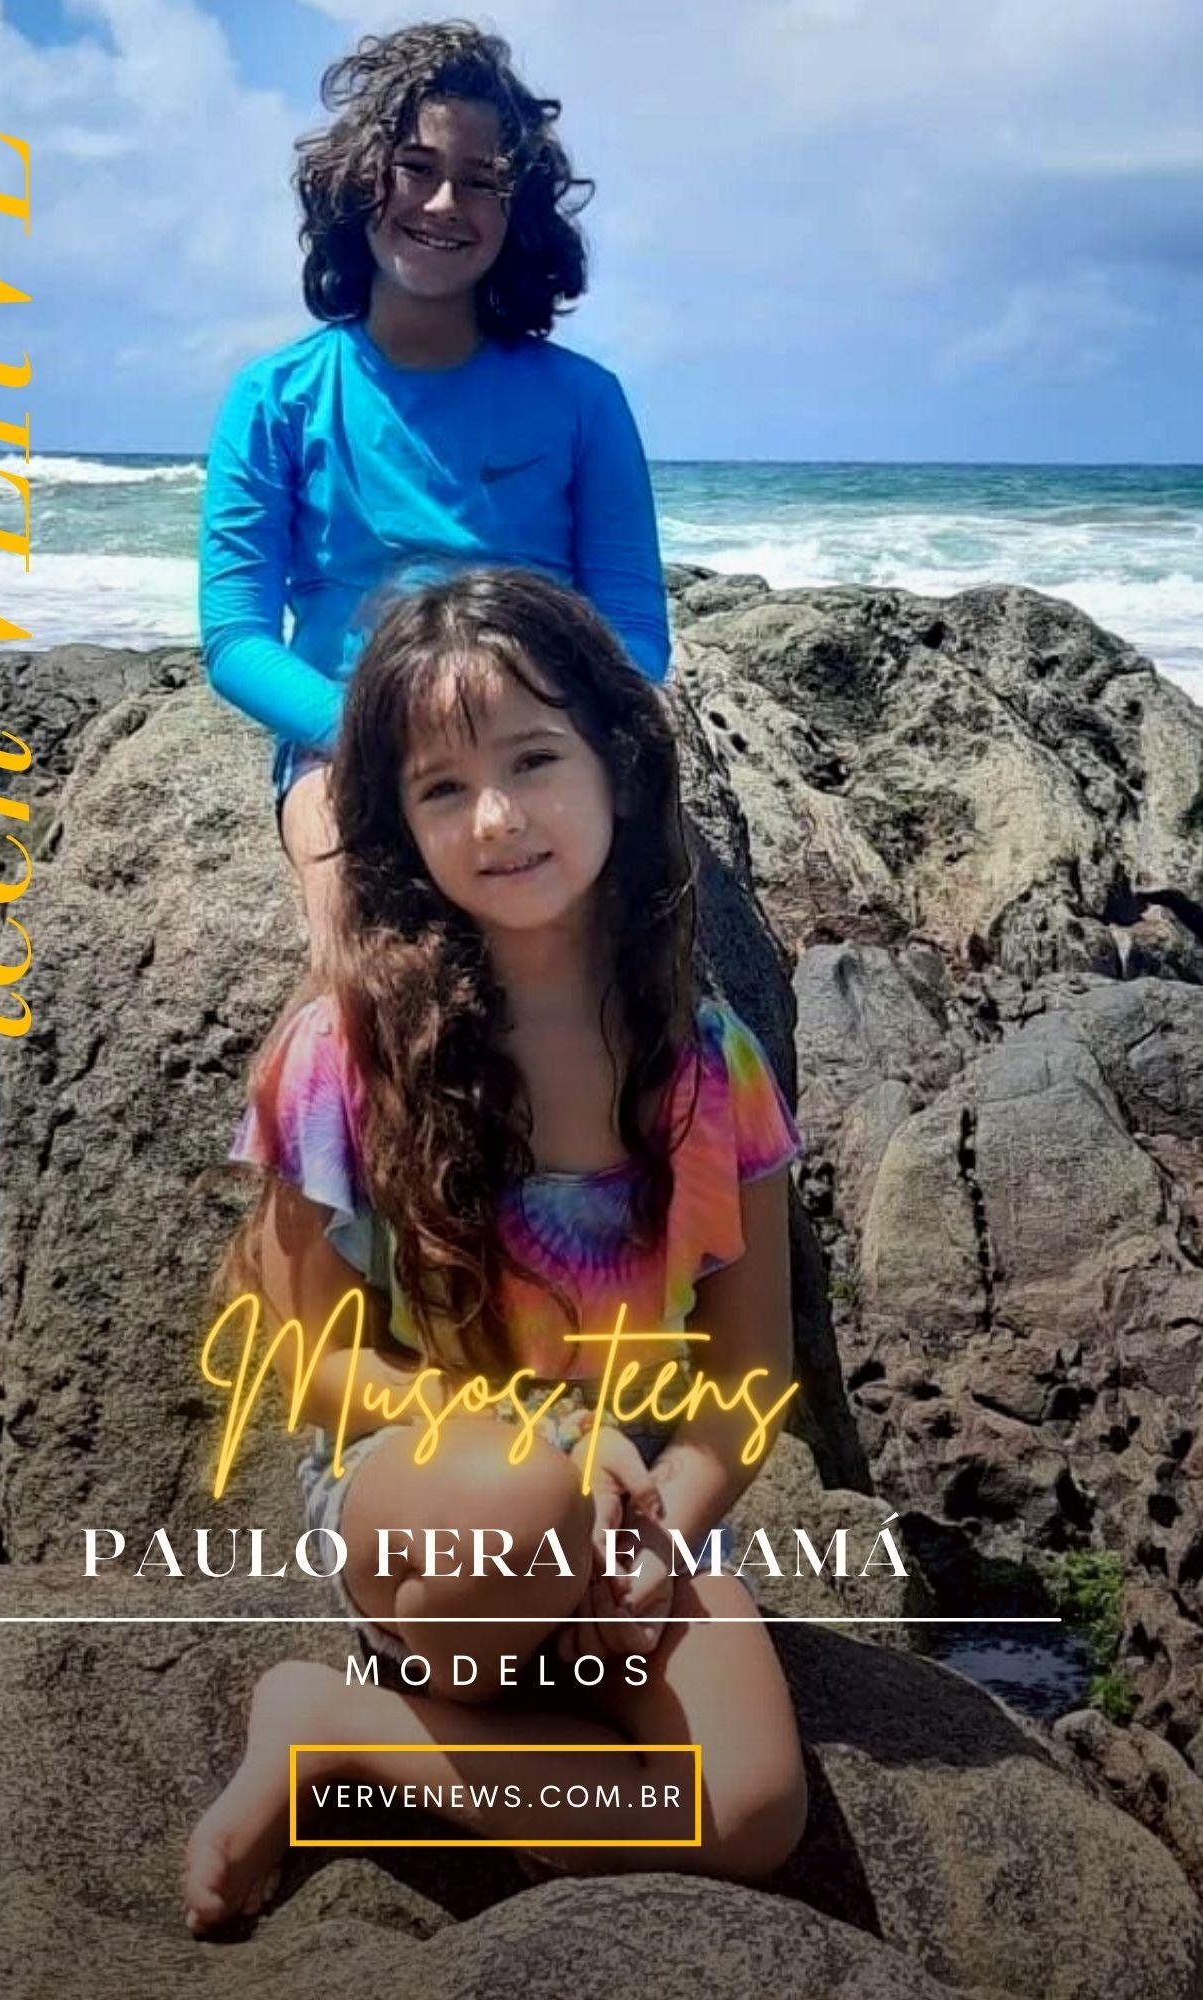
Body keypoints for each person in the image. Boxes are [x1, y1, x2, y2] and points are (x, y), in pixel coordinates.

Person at [181, 572, 807, 1933]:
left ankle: (340, 1735)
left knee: (747, 1810)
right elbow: (310, 1360)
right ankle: (460, 1667)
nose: (498, 817)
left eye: (532, 760)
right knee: (529, 1490)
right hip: (430, 1505)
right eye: (442, 787)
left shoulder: (712, 1068)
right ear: (397, 825)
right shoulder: (343, 1052)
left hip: (626, 1507)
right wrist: (562, 1452)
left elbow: (748, 1378)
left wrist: (663, 1527)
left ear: (616, 765)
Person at [199, 21, 670, 967]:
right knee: (364, 957)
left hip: (539, 727)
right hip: (346, 742)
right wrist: (374, 739)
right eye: (415, 168)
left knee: (610, 949)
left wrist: (539, 737)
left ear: (517, 213)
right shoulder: (275, 397)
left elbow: (636, 632)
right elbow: (235, 637)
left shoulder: (584, 401)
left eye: (482, 181)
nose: (444, 203)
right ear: (357, 181)